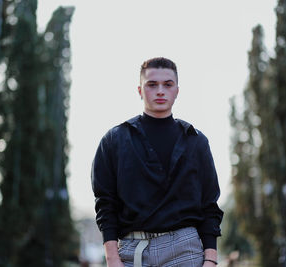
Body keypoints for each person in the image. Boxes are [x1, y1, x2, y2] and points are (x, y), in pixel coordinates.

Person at [91, 57, 223, 267]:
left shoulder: (196, 141)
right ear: (140, 90)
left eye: (167, 84)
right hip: (131, 252)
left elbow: (209, 204)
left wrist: (211, 259)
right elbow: (105, 202)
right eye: (152, 84)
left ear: (177, 90)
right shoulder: (114, 140)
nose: (160, 91)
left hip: (185, 250)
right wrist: (112, 257)